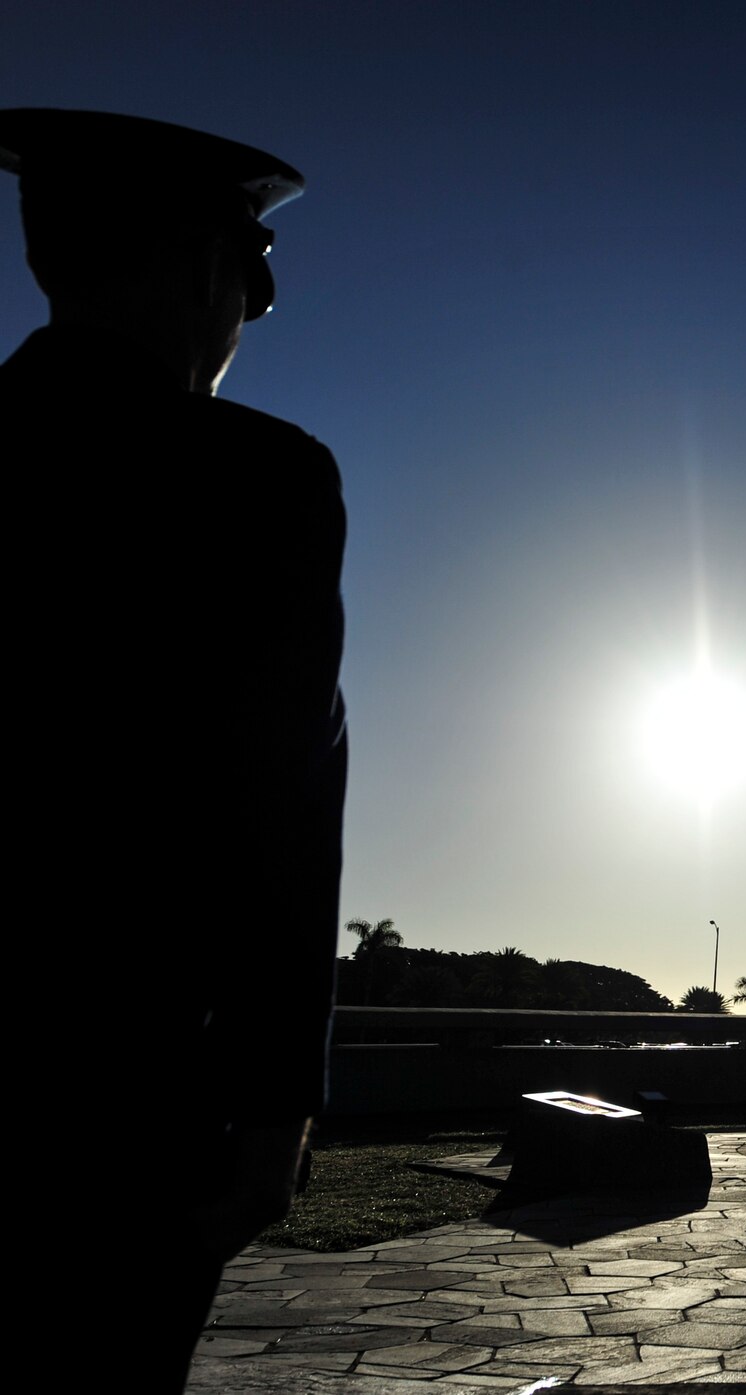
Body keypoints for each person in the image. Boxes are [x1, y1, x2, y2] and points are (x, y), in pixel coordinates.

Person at [0, 110, 347, 1386]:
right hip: (124, 1095)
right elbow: (282, 802)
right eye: (246, 283)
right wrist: (275, 1108)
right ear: (210, 270)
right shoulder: (258, 481)